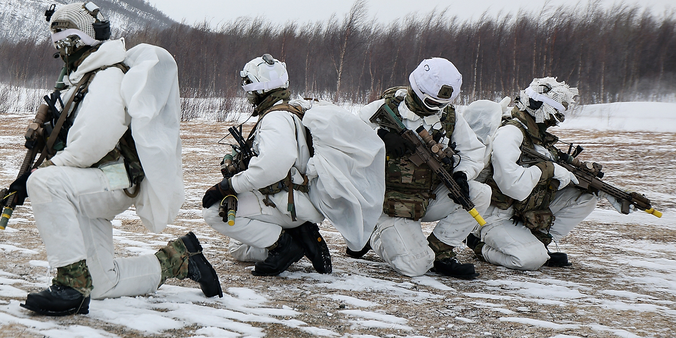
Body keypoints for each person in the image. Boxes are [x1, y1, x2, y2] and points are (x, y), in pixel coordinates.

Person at [10, 1, 221, 316]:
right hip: (92, 181)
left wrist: (38, 176)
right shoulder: (84, 78)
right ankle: (180, 258)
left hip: (112, 178)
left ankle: (70, 286)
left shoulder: (106, 77)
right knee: (101, 283)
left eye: (61, 37)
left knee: (45, 183)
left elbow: (90, 145)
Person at [359, 57, 490, 279]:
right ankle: (373, 236)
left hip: (426, 196)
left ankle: (441, 252)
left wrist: (462, 174)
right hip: (387, 202)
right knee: (415, 267)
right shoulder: (383, 109)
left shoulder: (449, 117)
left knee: (480, 194)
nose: (437, 109)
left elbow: (473, 152)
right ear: (418, 91)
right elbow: (343, 140)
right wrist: (379, 138)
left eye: (442, 104)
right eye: (432, 103)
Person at [200, 54, 332, 277]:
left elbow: (273, 166)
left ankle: (285, 245)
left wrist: (228, 186)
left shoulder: (275, 119)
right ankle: (298, 235)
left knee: (214, 212)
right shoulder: (292, 110)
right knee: (239, 249)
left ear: (259, 89)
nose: (247, 92)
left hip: (286, 202)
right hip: (297, 200)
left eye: (249, 87)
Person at [468, 78, 597, 270]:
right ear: (540, 106)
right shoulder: (511, 133)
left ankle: (537, 243)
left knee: (586, 197)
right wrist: (548, 169)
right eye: (558, 111)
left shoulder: (536, 133)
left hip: (521, 210)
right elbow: (513, 187)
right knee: (529, 260)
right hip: (494, 215)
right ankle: (478, 244)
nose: (558, 118)